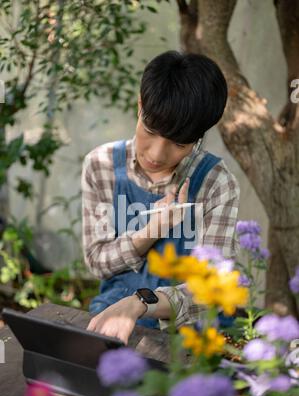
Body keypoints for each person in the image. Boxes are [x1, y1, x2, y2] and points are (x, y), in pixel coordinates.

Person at [81, 50, 240, 344]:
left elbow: (211, 287)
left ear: (199, 137)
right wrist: (152, 231)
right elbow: (97, 261)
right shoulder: (101, 165)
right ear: (140, 105)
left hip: (193, 336)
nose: (157, 154)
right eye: (150, 131)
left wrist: (141, 302)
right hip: (115, 317)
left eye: (179, 144)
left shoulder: (216, 184)